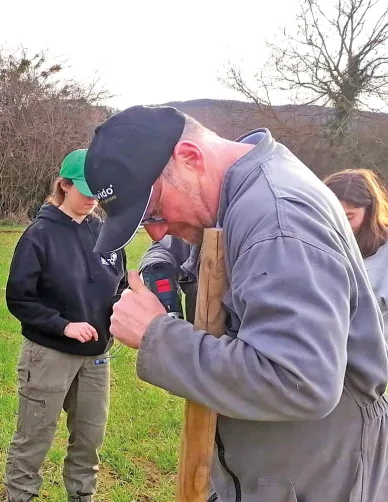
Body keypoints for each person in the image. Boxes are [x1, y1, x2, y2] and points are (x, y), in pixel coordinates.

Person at [83, 105, 388, 502]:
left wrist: (157, 335)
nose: (158, 232)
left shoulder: (278, 220)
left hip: (317, 477)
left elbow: (301, 380)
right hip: (278, 469)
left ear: (190, 158)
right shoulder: (246, 196)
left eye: (154, 210)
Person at [4, 149, 128, 502]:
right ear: (63, 185)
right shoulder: (38, 236)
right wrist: (63, 326)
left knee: (89, 439)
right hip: (49, 355)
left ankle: (81, 496)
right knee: (34, 438)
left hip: (97, 357)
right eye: (84, 190)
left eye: (97, 192)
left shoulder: (108, 235)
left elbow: (117, 286)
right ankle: (20, 496)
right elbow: (20, 299)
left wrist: (121, 313)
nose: (92, 199)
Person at [324, 169, 388, 328]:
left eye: (348, 217)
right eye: (330, 214)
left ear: (369, 211)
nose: (338, 223)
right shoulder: (311, 243)